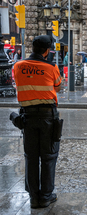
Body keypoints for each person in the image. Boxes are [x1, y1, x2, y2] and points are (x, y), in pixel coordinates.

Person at [13, 35, 63, 209]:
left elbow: (18, 83)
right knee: (49, 156)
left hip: (27, 117)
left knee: (31, 157)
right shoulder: (51, 67)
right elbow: (57, 87)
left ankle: (34, 197)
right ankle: (46, 195)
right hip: (48, 117)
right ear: (47, 51)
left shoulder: (18, 66)